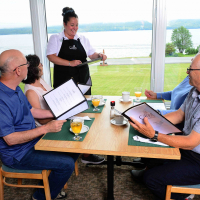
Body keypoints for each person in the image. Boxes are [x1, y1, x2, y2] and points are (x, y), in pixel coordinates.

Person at [0, 49, 79, 200]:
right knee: (67, 164)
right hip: (18, 154)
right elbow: (10, 139)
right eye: (26, 63)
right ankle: (40, 196)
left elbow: (32, 111)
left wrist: (60, 111)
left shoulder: (15, 88)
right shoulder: (2, 100)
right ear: (18, 70)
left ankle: (51, 184)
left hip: (31, 141)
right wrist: (46, 128)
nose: (29, 66)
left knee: (74, 146)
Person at [130, 54, 200, 200]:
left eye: (190, 69)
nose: (187, 72)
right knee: (154, 153)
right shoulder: (194, 91)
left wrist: (154, 134)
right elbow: (179, 115)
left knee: (151, 179)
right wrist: (149, 120)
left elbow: (190, 142)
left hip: (197, 158)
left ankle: (185, 195)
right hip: (189, 149)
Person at [22, 54, 105, 164]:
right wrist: (63, 112)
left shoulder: (41, 81)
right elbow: (41, 121)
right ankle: (79, 155)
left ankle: (84, 154)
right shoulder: (31, 92)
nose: (42, 66)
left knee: (88, 119)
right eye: (40, 64)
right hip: (48, 126)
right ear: (34, 70)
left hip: (57, 116)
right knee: (82, 125)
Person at [46, 7, 107, 94]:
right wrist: (70, 63)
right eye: (72, 25)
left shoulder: (83, 39)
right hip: (64, 84)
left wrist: (99, 55)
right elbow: (51, 57)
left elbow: (92, 54)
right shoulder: (55, 38)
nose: (75, 28)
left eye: (77, 25)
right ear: (64, 24)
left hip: (83, 83)